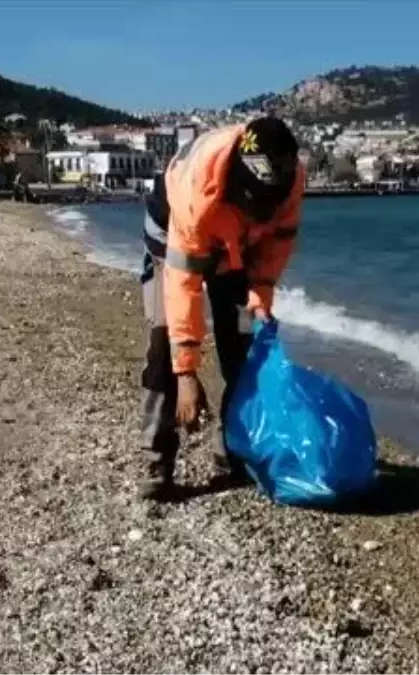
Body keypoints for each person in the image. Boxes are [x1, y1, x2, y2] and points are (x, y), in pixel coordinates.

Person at [138, 116, 305, 501]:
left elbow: (276, 245)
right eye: (250, 199)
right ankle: (156, 462)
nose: (256, 208)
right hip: (172, 232)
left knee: (244, 348)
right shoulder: (198, 190)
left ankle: (231, 451)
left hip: (237, 250)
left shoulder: (291, 180)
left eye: (265, 202)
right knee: (164, 344)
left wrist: (260, 294)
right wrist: (186, 373)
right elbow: (183, 286)